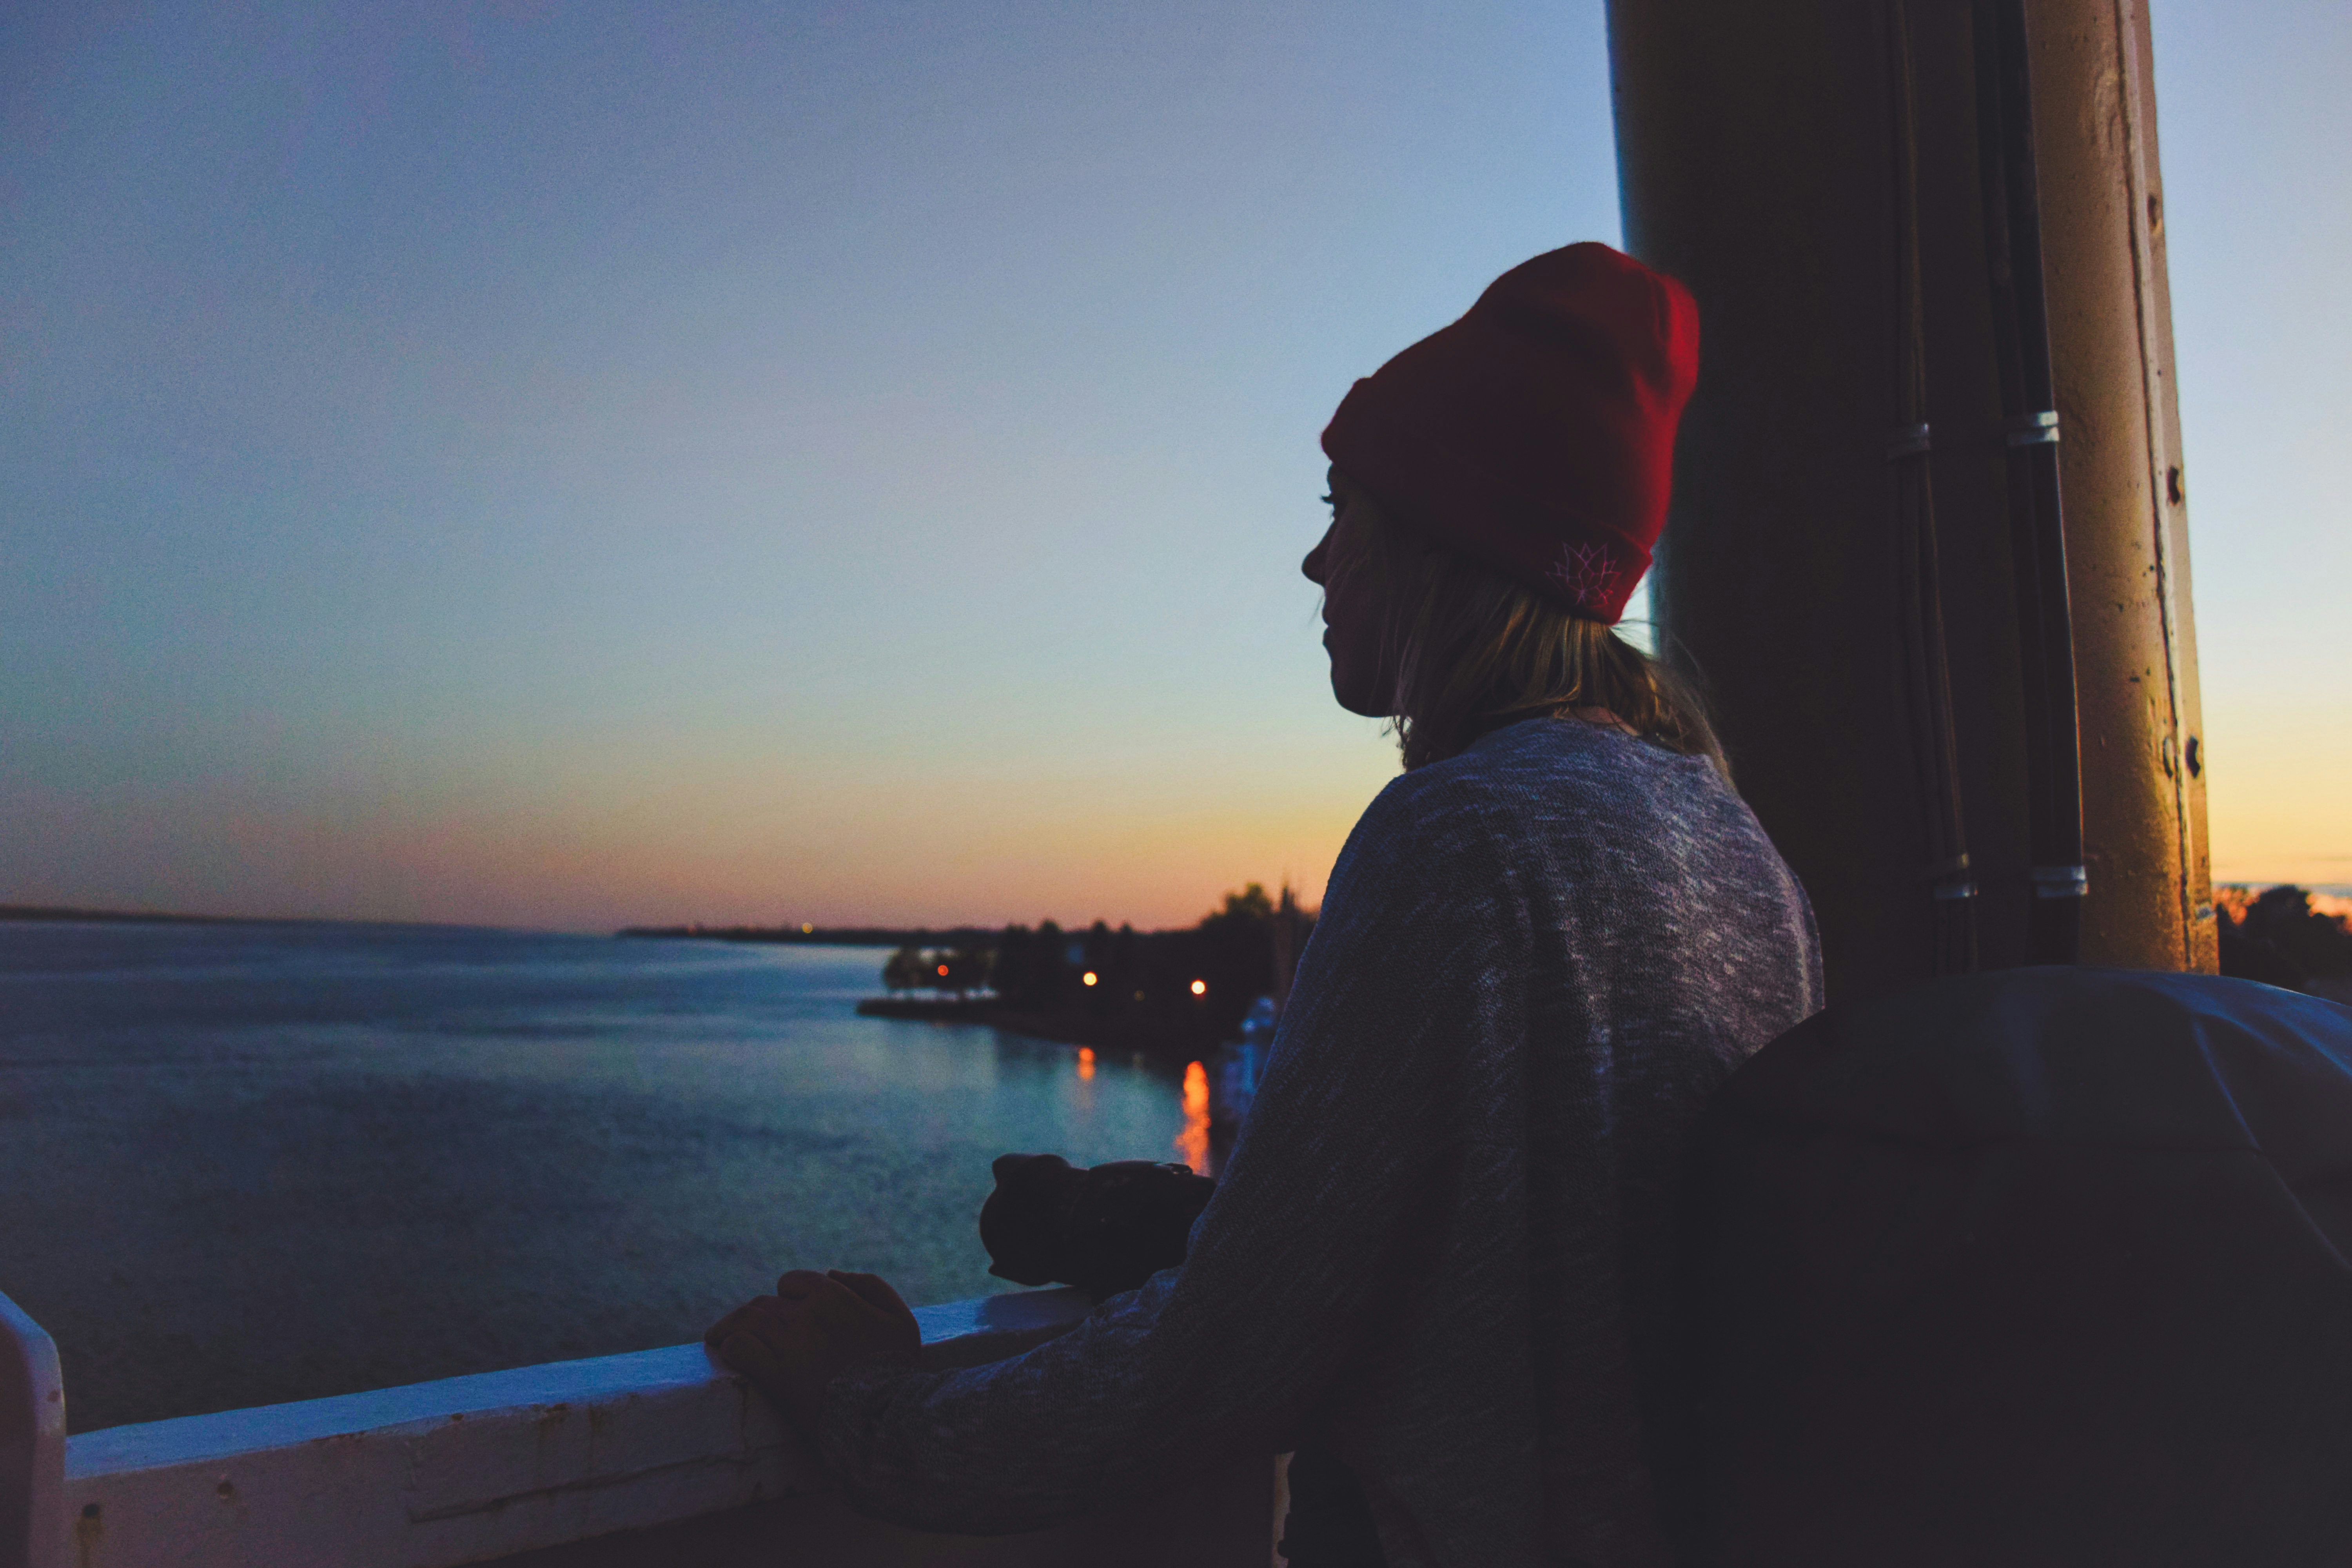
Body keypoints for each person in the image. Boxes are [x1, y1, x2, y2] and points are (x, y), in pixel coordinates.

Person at [705, 243, 1823, 1567]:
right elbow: (1563, 1241)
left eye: (1342, 503)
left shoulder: (1459, 837)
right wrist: (1191, 1224)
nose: (1312, 559)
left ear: (1440, 540)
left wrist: (873, 1412)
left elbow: (1223, 1364)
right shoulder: (1732, 840)